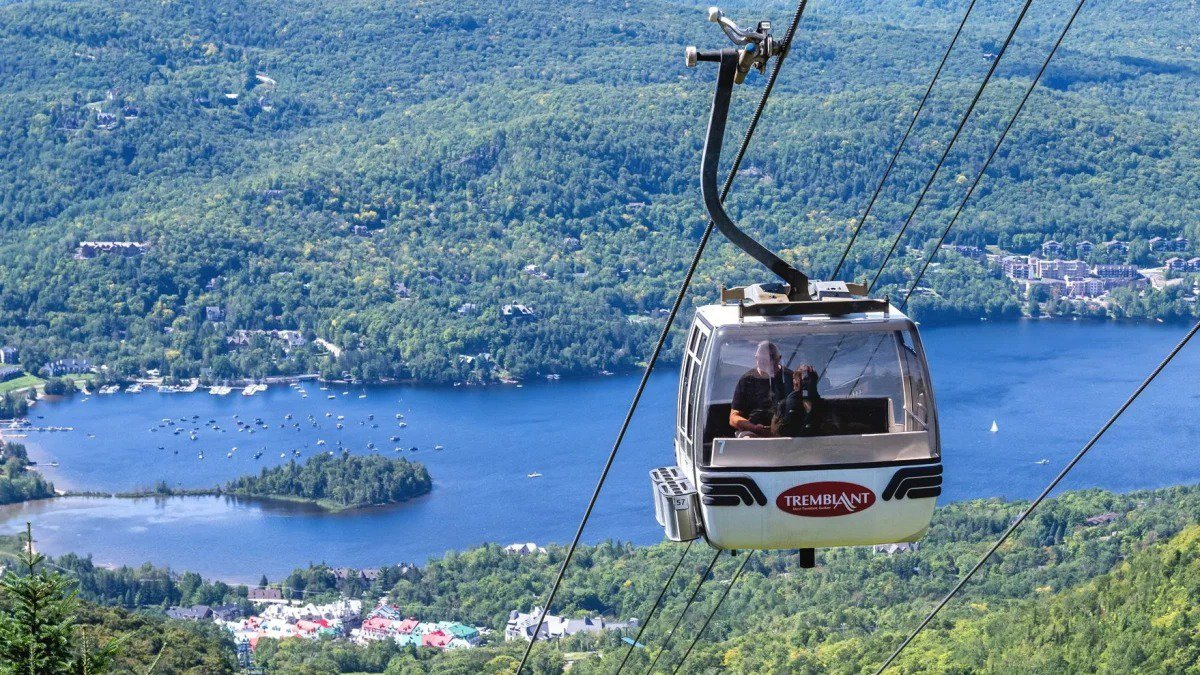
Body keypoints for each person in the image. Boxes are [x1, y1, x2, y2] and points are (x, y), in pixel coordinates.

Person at [729, 341, 791, 437]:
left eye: (773, 359)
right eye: (764, 361)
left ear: (779, 358)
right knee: (748, 441)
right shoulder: (747, 380)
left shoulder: (790, 377)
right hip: (753, 431)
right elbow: (733, 417)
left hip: (786, 431)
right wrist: (753, 427)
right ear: (756, 359)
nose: (769, 364)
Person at [772, 364, 821, 437]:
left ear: (794, 383)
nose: (806, 386)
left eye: (809, 382)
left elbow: (776, 431)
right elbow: (778, 431)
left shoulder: (784, 406)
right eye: (804, 382)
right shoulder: (784, 406)